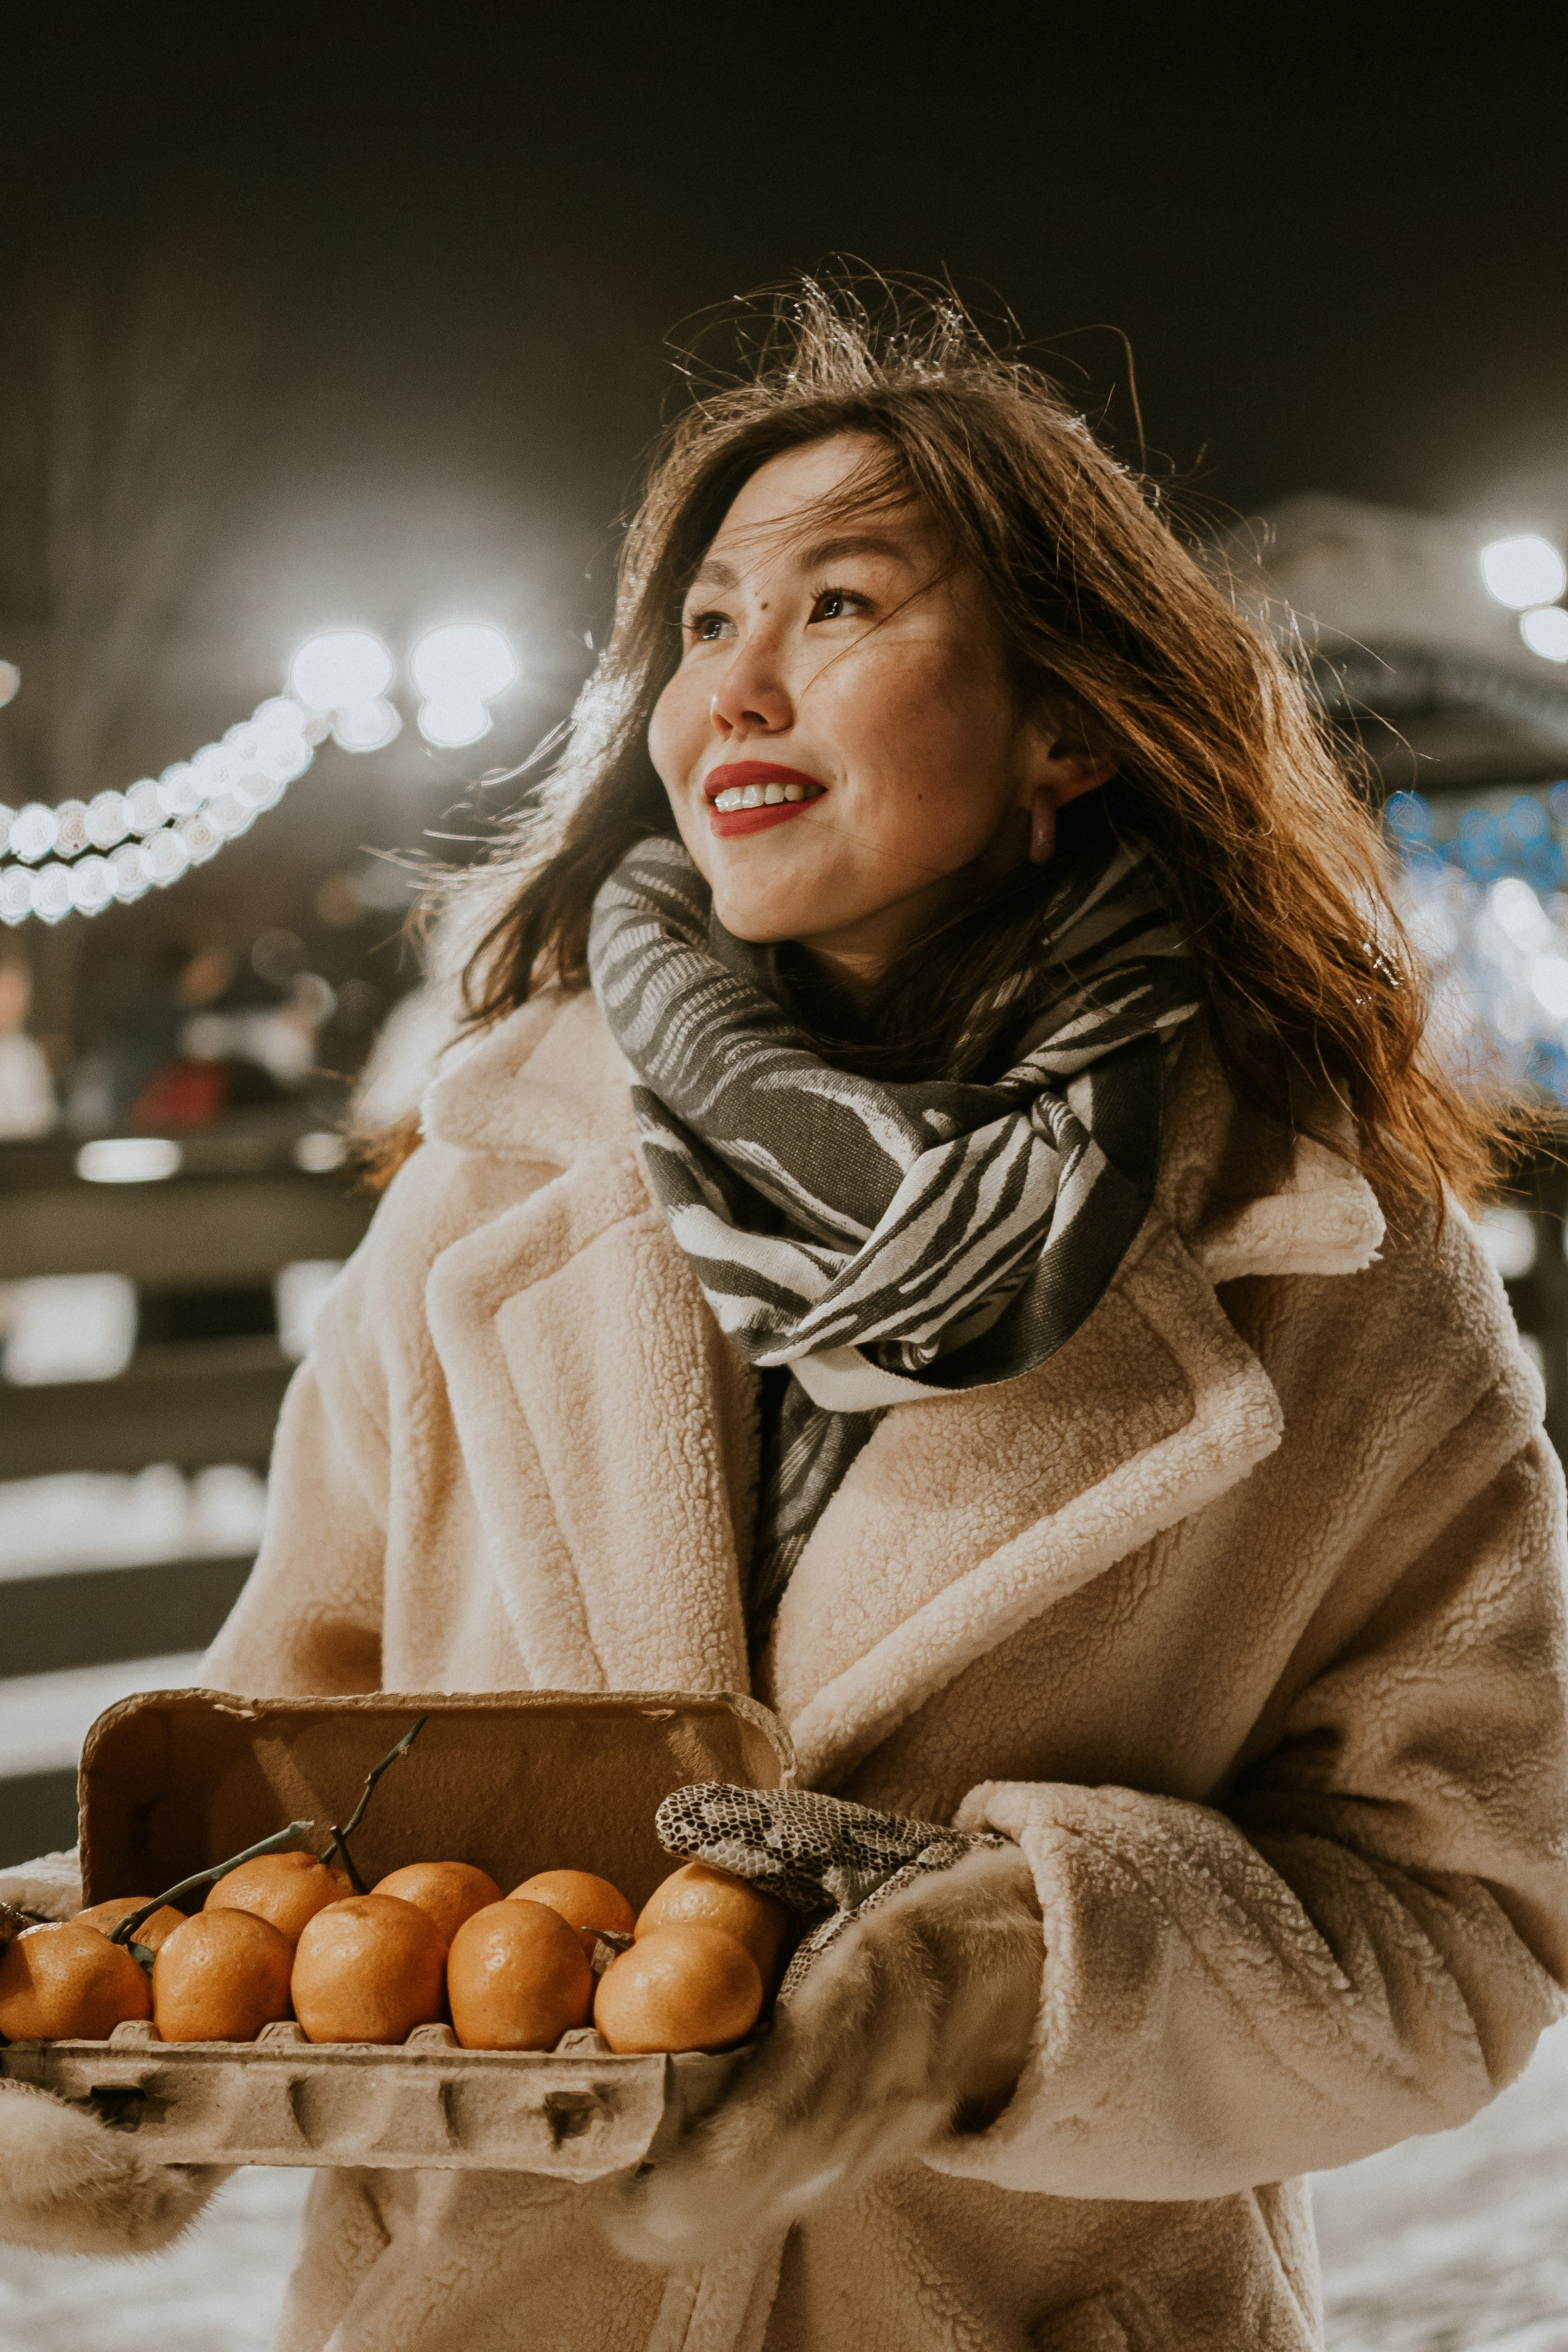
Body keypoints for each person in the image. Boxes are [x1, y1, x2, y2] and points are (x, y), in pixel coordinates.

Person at [3, 288, 1566, 2352]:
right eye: (705, 621)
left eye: (838, 607)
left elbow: (1462, 1923)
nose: (732, 688)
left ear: (1068, 721)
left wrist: (1005, 1985)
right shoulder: (494, 1183)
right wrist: (99, 2004)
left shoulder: (1328, 1259)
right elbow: (294, 1787)